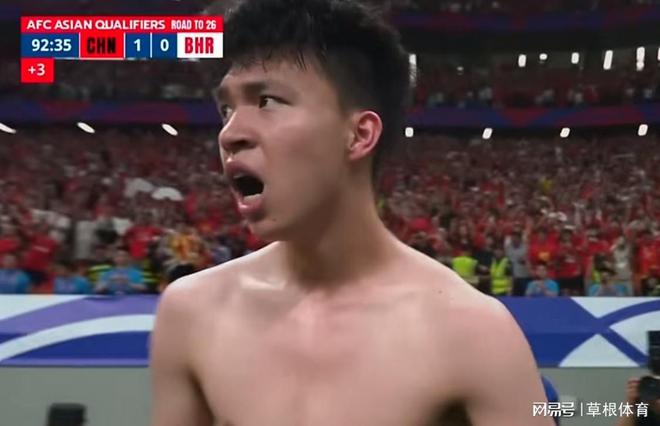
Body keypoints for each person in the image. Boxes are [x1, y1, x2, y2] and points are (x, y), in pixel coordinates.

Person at [150, 1, 552, 425]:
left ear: (359, 135)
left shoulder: (474, 334)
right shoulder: (191, 314)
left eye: (267, 101)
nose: (230, 134)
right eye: (226, 109)